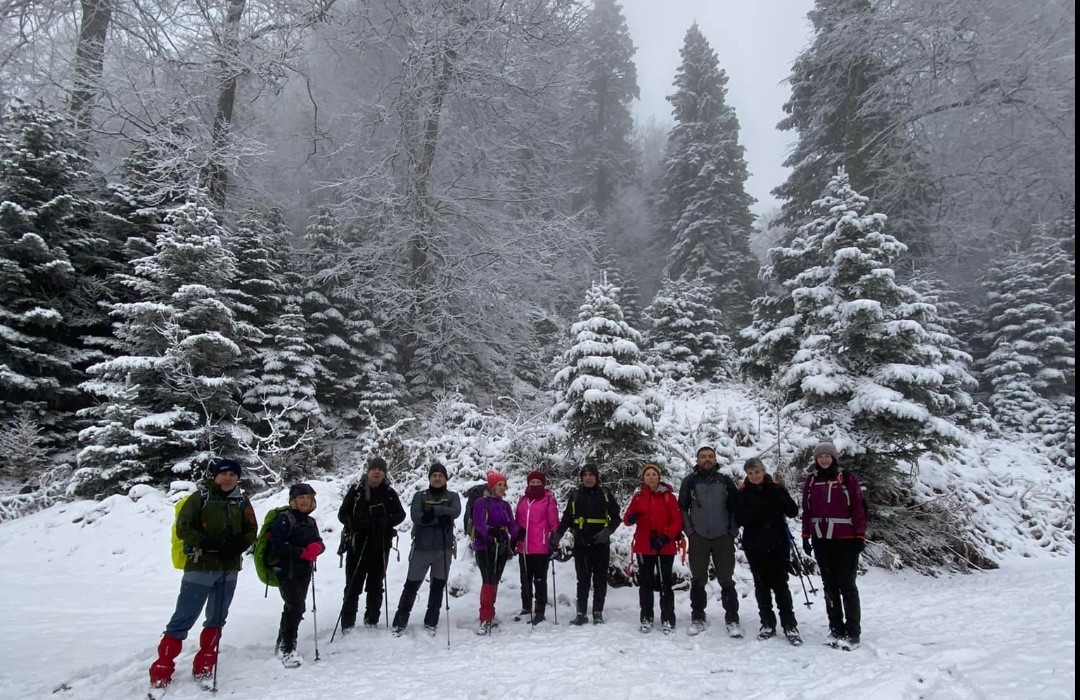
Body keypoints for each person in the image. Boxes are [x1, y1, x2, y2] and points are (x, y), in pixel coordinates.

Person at [148, 459, 257, 692]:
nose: (227, 478)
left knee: (217, 618)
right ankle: (161, 669)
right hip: (200, 566)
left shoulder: (242, 501)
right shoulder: (200, 498)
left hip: (228, 568)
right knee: (183, 618)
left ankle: (205, 664)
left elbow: (251, 529)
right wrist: (208, 542)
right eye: (223, 474)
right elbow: (183, 527)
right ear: (215, 476)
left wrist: (237, 545)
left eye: (233, 474)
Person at [801, 440, 867, 650]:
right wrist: (805, 535)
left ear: (834, 457)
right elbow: (806, 510)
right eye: (820, 456)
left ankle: (853, 632)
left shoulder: (847, 478)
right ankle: (835, 628)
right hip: (821, 539)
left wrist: (859, 535)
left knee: (847, 585)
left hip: (846, 539)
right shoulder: (812, 480)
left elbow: (858, 507)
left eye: (827, 456)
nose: (824, 460)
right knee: (829, 585)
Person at [678, 444, 742, 637]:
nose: (707, 459)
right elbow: (682, 507)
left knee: (726, 579)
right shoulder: (690, 481)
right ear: (697, 460)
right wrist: (689, 531)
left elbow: (735, 506)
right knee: (698, 579)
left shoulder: (725, 480)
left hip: (723, 536)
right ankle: (698, 617)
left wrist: (733, 530)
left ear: (715, 459)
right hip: (699, 537)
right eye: (703, 456)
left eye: (710, 456)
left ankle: (732, 619)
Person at [391, 463, 462, 636]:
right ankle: (400, 621)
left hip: (443, 549)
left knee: (438, 586)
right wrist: (442, 515)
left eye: (440, 475)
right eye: (434, 475)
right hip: (422, 548)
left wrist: (433, 511)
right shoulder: (420, 496)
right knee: (411, 585)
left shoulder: (453, 496)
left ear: (445, 478)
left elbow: (455, 512)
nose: (437, 478)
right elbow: (417, 517)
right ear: (429, 478)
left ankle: (431, 621)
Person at [736, 458, 801, 645]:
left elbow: (792, 511)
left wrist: (782, 499)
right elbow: (739, 518)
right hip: (754, 542)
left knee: (780, 584)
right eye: (750, 473)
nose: (754, 476)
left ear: (763, 471)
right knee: (761, 584)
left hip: (777, 540)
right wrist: (751, 513)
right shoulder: (743, 493)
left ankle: (789, 624)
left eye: (757, 472)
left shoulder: (776, 489)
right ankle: (767, 623)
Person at [337, 456, 406, 632]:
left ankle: (372, 621)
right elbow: (342, 514)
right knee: (353, 585)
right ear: (368, 472)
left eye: (380, 470)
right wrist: (356, 523)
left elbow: (401, 515)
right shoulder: (356, 491)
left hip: (380, 545)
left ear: (384, 474)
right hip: (357, 545)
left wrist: (386, 521)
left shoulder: (389, 493)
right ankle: (347, 624)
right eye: (374, 469)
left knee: (376, 586)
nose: (377, 472)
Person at [550, 463, 621, 626]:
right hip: (581, 543)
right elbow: (567, 518)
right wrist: (558, 535)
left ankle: (597, 612)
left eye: (591, 475)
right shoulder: (576, 496)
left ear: (596, 477)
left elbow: (616, 518)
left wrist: (607, 532)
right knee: (582, 579)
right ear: (581, 477)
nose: (588, 478)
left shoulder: (605, 495)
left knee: (600, 579)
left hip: (600, 543)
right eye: (585, 475)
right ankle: (581, 613)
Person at [268, 483, 325, 667]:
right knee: (295, 606)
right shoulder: (284, 519)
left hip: (303, 570)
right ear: (293, 500)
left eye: (308, 498)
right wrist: (302, 552)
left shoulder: (310, 522)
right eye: (301, 498)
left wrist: (318, 548)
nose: (305, 501)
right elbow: (277, 545)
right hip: (285, 569)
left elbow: (319, 542)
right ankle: (287, 648)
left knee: (295, 606)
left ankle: (283, 642)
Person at [623, 463, 683, 634]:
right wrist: (631, 518)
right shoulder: (638, 497)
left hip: (665, 545)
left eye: (654, 474)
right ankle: (646, 617)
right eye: (647, 474)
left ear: (659, 477)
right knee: (646, 584)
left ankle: (668, 617)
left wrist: (666, 537)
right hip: (644, 545)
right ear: (643, 478)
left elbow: (677, 520)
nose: (651, 477)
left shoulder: (669, 497)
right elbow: (626, 519)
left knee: (665, 583)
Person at [471, 470, 520, 634]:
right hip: (485, 545)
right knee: (488, 579)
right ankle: (485, 617)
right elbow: (479, 523)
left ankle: (490, 613)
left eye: (504, 485)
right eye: (499, 484)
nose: (502, 487)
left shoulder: (505, 505)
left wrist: (519, 533)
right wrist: (490, 531)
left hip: (502, 544)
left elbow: (511, 525)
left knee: (495, 579)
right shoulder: (481, 502)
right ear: (491, 486)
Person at [513, 470, 560, 624]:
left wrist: (554, 540)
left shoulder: (548, 500)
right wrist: (515, 535)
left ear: (543, 484)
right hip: (524, 546)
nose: (535, 484)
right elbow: (517, 521)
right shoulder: (523, 500)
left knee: (539, 580)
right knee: (525, 579)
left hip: (541, 546)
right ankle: (526, 606)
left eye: (538, 482)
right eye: (532, 482)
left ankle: (540, 610)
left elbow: (554, 522)